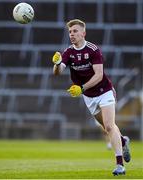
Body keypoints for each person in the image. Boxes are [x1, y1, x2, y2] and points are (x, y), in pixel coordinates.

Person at [52, 19, 131, 176]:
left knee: (109, 126)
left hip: (104, 91)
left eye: (75, 31)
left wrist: (81, 88)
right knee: (107, 128)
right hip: (89, 96)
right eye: (70, 32)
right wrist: (57, 63)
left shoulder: (93, 50)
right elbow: (58, 72)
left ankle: (120, 165)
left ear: (83, 33)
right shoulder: (68, 52)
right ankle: (123, 141)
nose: (72, 34)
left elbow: (99, 75)